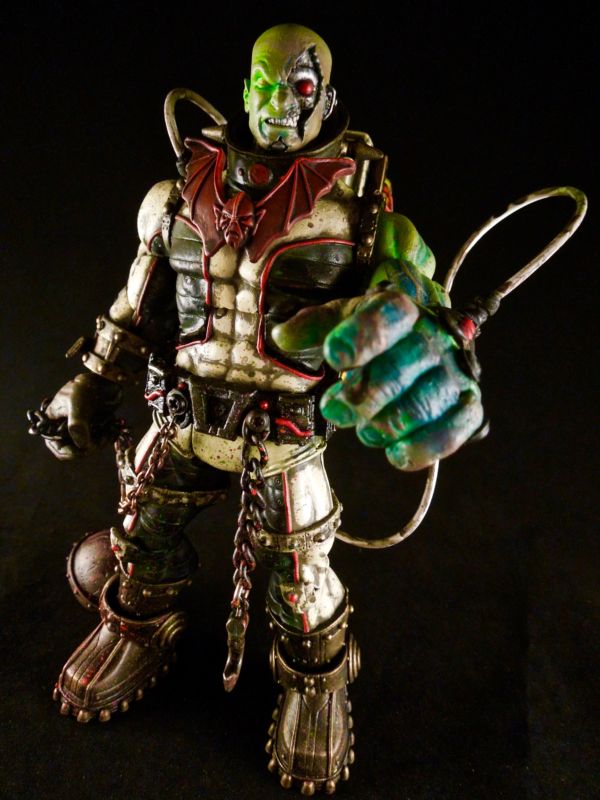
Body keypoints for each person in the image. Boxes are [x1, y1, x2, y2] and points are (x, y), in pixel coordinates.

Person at [35, 23, 484, 796]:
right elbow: (137, 305)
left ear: (327, 99)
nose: (280, 105)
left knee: (302, 585)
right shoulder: (173, 197)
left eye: (300, 88)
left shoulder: (367, 219)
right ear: (244, 92)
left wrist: (430, 344)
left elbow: (415, 302)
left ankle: (317, 679)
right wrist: (90, 381)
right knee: (142, 533)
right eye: (267, 87)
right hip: (180, 420)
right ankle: (138, 624)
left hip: (282, 441)